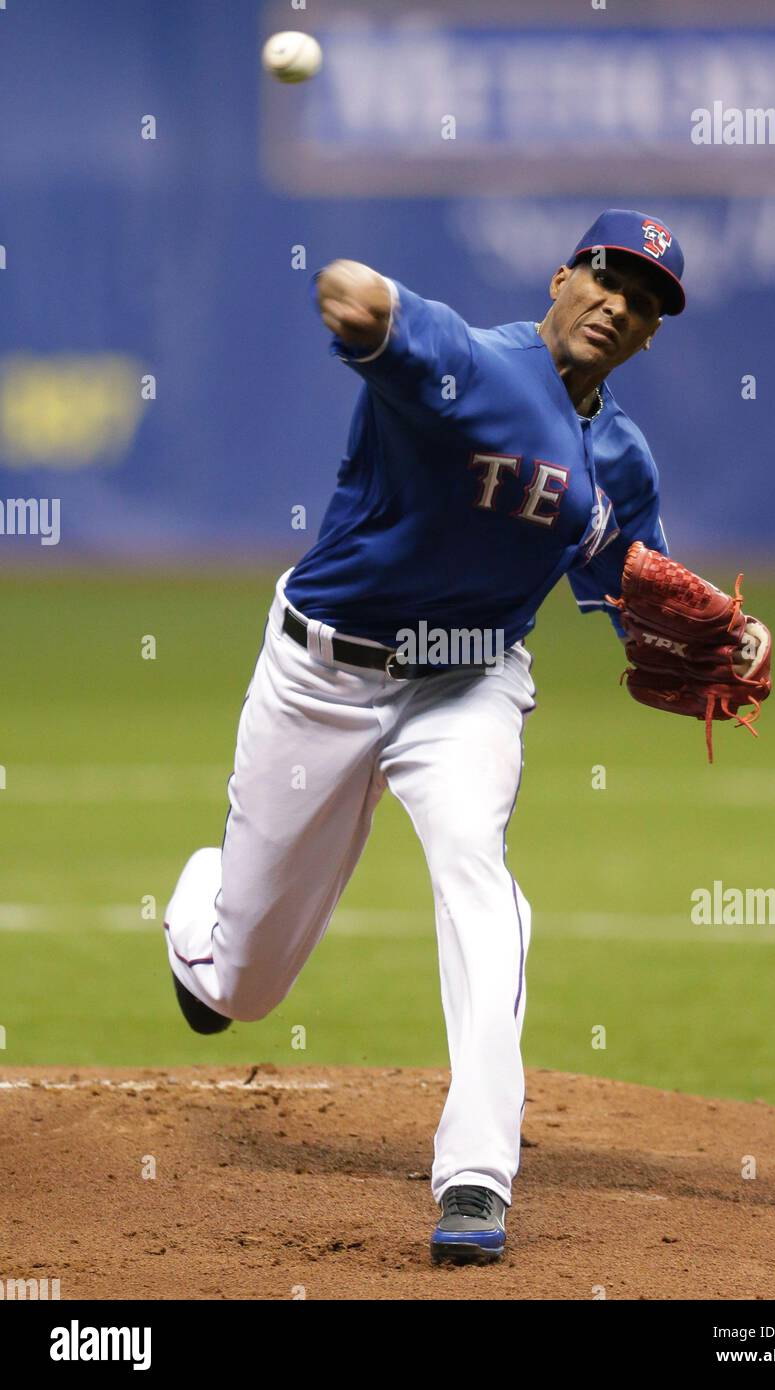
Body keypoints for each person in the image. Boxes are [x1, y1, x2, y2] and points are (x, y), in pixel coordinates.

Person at [164, 208, 686, 1265]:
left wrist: (719, 633)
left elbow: (642, 599)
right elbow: (367, 306)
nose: (618, 303)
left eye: (644, 301)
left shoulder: (621, 458)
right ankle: (198, 911)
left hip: (471, 681)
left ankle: (475, 1176)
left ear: (649, 336)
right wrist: (357, 296)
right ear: (559, 277)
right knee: (244, 986)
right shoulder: (472, 363)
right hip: (324, 674)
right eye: (605, 276)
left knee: (477, 876)